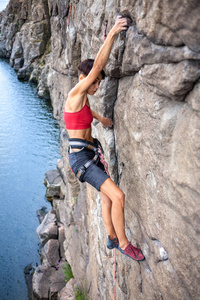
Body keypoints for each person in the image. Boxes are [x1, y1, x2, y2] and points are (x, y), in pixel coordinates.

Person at [64, 16, 145, 262]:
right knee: (118, 196)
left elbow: (86, 112)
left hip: (88, 155)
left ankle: (111, 236)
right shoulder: (76, 92)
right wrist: (111, 34)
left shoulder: (83, 99)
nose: (98, 87)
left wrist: (101, 119)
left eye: (98, 84)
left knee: (106, 197)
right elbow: (97, 65)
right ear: (85, 80)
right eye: (96, 83)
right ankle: (123, 244)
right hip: (81, 161)